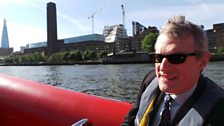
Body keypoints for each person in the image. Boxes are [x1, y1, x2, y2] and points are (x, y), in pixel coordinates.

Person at [122, 16, 224, 126]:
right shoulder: (149, 80)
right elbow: (129, 122)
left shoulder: (219, 111)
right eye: (158, 57)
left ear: (203, 61)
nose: (163, 67)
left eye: (176, 58)